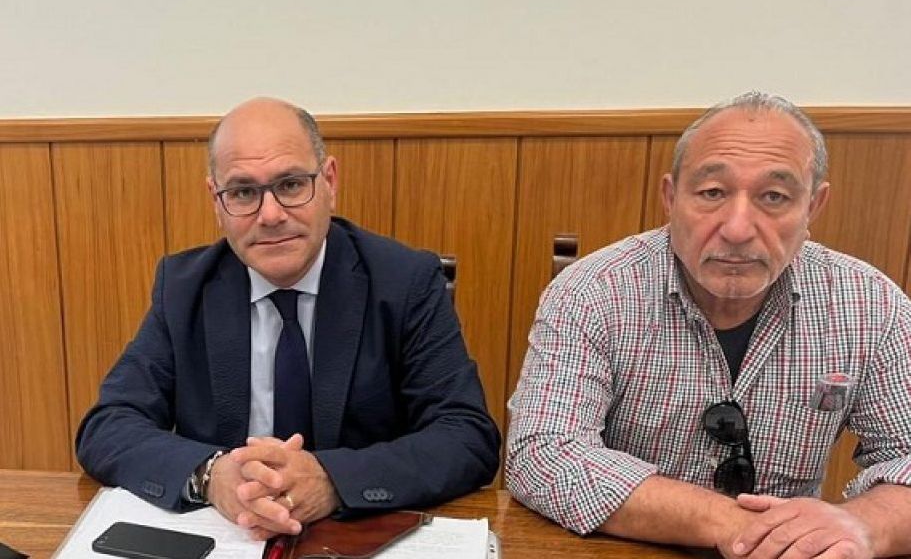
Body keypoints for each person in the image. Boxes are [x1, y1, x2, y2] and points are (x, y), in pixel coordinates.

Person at [505, 91, 911, 558]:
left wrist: (860, 527)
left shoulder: (870, 304)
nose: (737, 229)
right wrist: (736, 524)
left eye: (774, 197)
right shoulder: (595, 291)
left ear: (813, 207)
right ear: (670, 197)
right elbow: (543, 452)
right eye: (712, 193)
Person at [77, 97, 500, 540]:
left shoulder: (404, 281)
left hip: (356, 537)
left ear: (329, 181)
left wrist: (332, 479)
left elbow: (466, 436)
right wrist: (213, 474)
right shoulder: (184, 288)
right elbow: (108, 426)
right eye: (243, 193)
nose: (271, 215)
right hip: (233, 536)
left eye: (292, 184)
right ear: (217, 202)